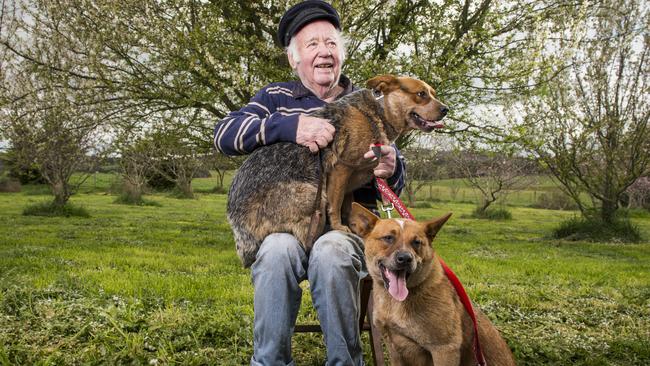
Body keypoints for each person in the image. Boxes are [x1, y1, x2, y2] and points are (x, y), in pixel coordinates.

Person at [214, 1, 405, 365]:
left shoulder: (371, 103)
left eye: (331, 43)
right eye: (312, 44)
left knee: (331, 253)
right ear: (294, 58)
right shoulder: (275, 98)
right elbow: (225, 135)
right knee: (275, 253)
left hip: (346, 225)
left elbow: (396, 181)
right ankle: (269, 362)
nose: (324, 53)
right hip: (284, 222)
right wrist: (288, 127)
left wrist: (392, 167)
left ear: (342, 54)